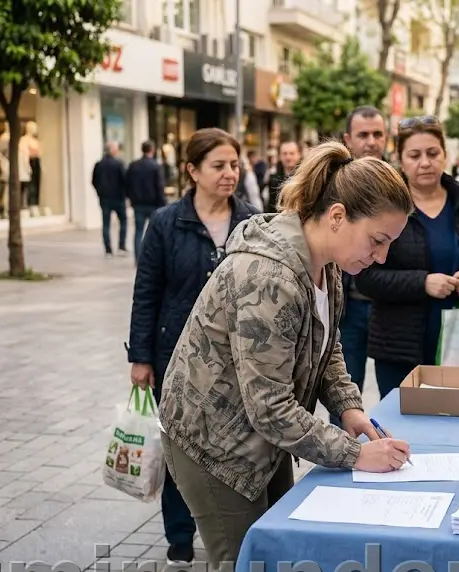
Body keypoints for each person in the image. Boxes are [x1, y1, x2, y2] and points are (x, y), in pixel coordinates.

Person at [157, 140, 415, 568]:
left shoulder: (325, 263)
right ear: (337, 216)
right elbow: (271, 408)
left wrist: (350, 409)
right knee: (246, 561)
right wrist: (354, 453)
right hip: (214, 446)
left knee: (280, 556)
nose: (382, 256)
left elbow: (325, 345)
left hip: (260, 435)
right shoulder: (272, 278)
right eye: (377, 240)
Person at [127, 128, 260, 563]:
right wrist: (140, 358)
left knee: (237, 445)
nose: (229, 174)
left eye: (234, 165)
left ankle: (238, 527)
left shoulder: (253, 221)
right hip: (178, 359)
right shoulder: (166, 222)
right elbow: (147, 291)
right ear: (192, 170)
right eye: (218, 166)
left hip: (240, 358)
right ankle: (180, 539)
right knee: (180, 447)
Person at [354, 115, 459, 398]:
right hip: (399, 349)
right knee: (404, 434)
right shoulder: (381, 209)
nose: (425, 162)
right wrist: (422, 283)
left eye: (433, 153)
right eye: (414, 155)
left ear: (445, 155)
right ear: (400, 160)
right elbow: (365, 277)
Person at [329, 105, 389, 426]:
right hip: (346, 310)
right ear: (348, 139)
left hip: (387, 308)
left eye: (377, 134)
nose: (371, 142)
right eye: (363, 135)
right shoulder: (331, 187)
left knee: (390, 399)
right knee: (344, 398)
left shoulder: (396, 186)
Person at [125, 140, 167, 262]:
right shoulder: (155, 166)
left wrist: (130, 198)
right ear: (152, 150)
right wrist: (163, 203)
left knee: (138, 231)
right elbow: (160, 186)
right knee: (156, 233)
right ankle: (154, 258)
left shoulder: (133, 165)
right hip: (153, 204)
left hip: (138, 203)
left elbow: (127, 184)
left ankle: (138, 258)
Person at [92, 141, 128, 258]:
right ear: (112, 150)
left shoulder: (99, 164)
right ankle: (121, 246)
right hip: (118, 198)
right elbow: (124, 180)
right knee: (123, 221)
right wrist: (126, 195)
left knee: (106, 223)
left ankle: (108, 250)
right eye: (116, 148)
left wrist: (99, 193)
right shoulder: (119, 164)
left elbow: (94, 181)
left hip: (105, 198)